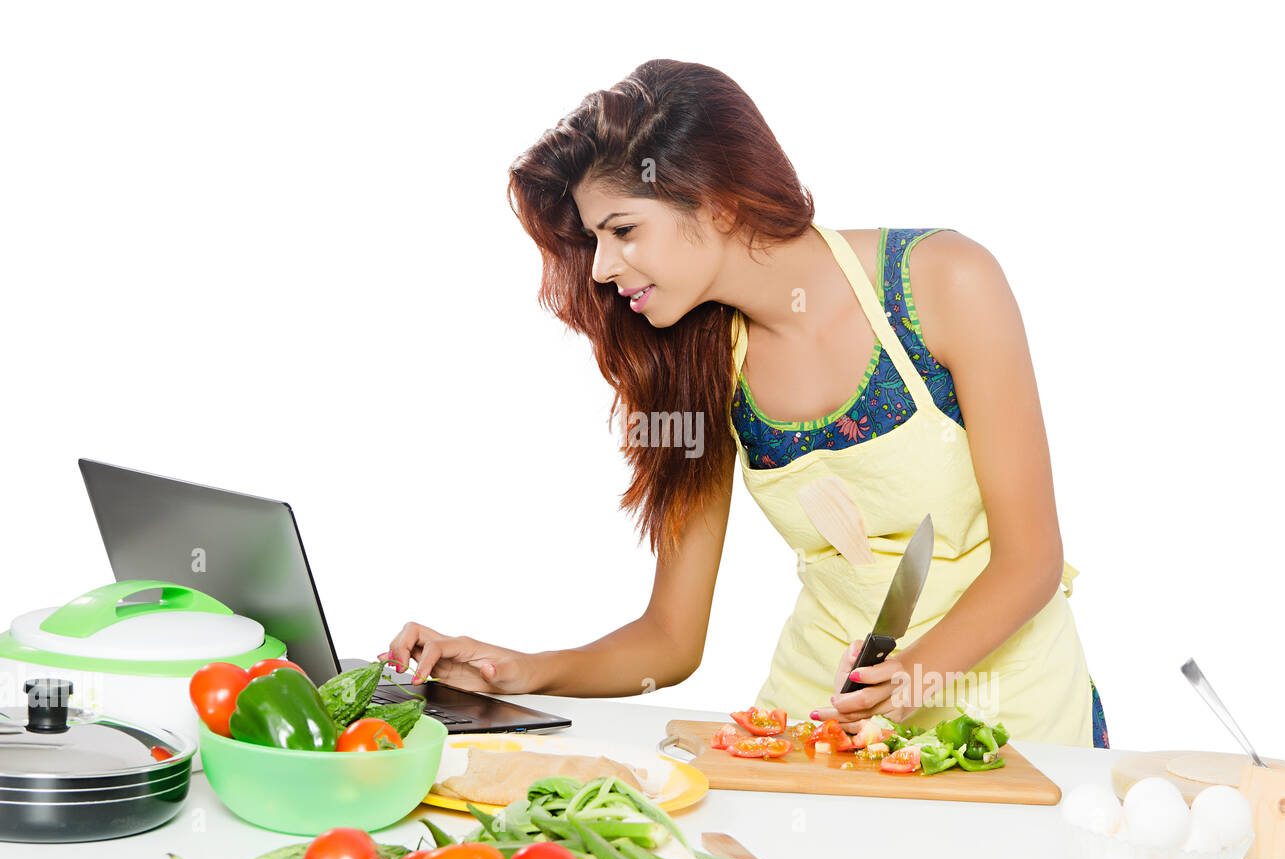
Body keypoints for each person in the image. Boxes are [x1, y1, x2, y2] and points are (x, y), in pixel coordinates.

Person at [383, 59, 1109, 748]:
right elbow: (669, 639)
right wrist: (521, 671)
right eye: (597, 241)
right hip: (815, 713)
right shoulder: (697, 366)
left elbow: (1031, 560)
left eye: (624, 231)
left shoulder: (945, 283)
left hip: (1006, 715)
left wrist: (908, 680)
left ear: (720, 202)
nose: (603, 269)